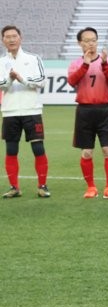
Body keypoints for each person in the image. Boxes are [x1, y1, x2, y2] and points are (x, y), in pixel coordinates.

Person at [68, 27, 108, 199]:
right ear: (80, 43)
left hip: (105, 110)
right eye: (87, 40)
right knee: (87, 152)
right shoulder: (75, 64)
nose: (91, 43)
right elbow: (72, 81)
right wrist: (85, 64)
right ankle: (91, 187)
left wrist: (104, 64)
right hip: (84, 111)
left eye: (94, 40)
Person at [0, 25, 49, 199]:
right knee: (11, 150)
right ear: (2, 40)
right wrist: (8, 79)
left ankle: (42, 186)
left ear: (21, 38)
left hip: (31, 109)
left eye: (14, 36)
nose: (11, 39)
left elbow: (42, 80)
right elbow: (1, 84)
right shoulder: (1, 62)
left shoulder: (33, 58)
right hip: (10, 111)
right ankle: (14, 187)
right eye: (7, 36)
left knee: (38, 148)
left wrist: (22, 79)